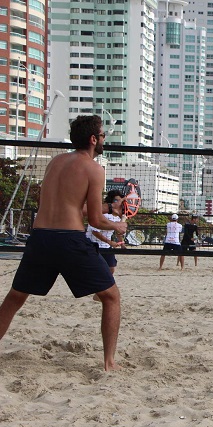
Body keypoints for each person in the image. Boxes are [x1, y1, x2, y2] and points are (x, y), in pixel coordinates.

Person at [0, 115, 127, 371]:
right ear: (93, 139)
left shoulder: (56, 162)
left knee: (15, 298)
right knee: (111, 297)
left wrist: (103, 209)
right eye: (103, 136)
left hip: (41, 237)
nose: (104, 139)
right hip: (69, 241)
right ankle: (109, 363)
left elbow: (68, 206)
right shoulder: (94, 169)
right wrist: (116, 224)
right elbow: (94, 220)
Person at [86, 193, 126, 301]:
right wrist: (110, 242)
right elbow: (95, 232)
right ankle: (99, 293)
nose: (119, 203)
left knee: (111, 269)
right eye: (116, 200)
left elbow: (118, 232)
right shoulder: (102, 214)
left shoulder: (117, 216)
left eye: (120, 200)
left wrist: (121, 243)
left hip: (106, 246)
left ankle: (98, 294)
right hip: (93, 244)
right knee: (99, 270)